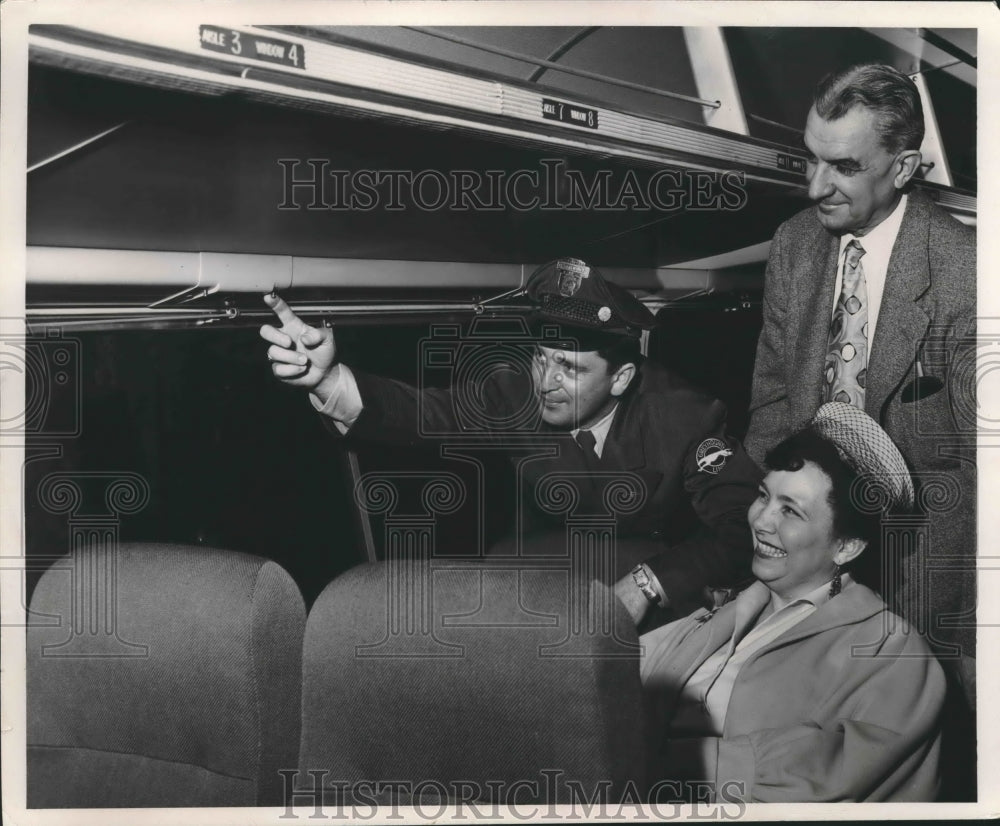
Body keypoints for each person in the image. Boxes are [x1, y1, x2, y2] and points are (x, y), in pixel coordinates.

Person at [260, 258, 761, 621]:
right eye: (541, 358)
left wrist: (647, 585)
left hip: (655, 582)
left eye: (568, 367)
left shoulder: (687, 416)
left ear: (623, 378)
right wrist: (328, 381)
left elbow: (743, 528)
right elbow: (422, 412)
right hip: (547, 574)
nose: (545, 381)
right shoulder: (515, 395)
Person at [744, 64, 976, 715]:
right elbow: (770, 404)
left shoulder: (968, 273)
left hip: (926, 564)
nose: (816, 185)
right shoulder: (794, 246)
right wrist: (770, 530)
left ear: (903, 168)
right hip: (812, 557)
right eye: (809, 160)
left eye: (841, 166)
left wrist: (963, 630)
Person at [640, 402, 945, 803]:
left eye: (791, 511)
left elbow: (825, 772)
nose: (761, 521)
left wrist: (658, 761)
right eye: (763, 496)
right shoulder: (728, 608)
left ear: (847, 546)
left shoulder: (891, 651)